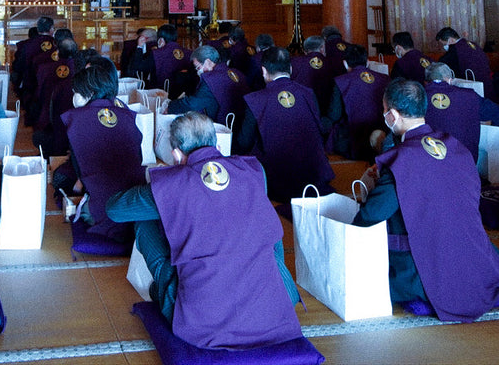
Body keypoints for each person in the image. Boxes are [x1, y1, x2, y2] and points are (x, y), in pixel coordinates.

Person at [106, 112, 303, 351]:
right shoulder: (253, 170)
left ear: (176, 154)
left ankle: (163, 290)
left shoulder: (170, 184)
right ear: (217, 144)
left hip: (204, 325)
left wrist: (158, 188)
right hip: (273, 311)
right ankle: (278, 289)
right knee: (264, 230)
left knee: (143, 219)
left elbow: (115, 210)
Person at [353, 78, 499, 321]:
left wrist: (367, 196)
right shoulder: (456, 147)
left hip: (425, 268)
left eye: (384, 110)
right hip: (476, 260)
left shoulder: (400, 159)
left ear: (391, 115)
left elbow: (371, 216)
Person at [53, 57, 146, 243]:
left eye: (77, 92)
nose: (74, 95)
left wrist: (79, 187)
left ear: (90, 92)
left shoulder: (77, 119)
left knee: (60, 178)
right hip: (136, 200)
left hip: (105, 207)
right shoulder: (125, 112)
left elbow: (80, 167)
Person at [237, 46, 333, 201]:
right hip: (313, 174)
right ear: (290, 68)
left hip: (277, 178)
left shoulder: (255, 99)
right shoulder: (308, 93)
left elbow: (244, 141)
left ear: (263, 71)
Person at [329, 44, 386, 160]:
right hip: (381, 137)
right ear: (368, 62)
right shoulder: (385, 78)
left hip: (352, 139)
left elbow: (334, 115)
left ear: (345, 63)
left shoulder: (341, 81)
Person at [167, 45, 248, 126]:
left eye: (198, 67)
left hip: (224, 126)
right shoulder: (237, 73)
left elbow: (193, 104)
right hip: (241, 122)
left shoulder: (212, 79)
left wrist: (170, 107)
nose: (198, 71)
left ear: (208, 62)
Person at [436, 27, 494, 98]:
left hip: (473, 89)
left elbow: (440, 65)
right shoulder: (472, 44)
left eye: (444, 44)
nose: (444, 47)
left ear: (451, 40)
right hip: (488, 85)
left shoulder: (455, 49)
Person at [150, 23, 192, 96]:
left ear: (161, 40)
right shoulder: (189, 53)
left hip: (162, 95)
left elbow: (139, 66)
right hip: (183, 95)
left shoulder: (156, 53)